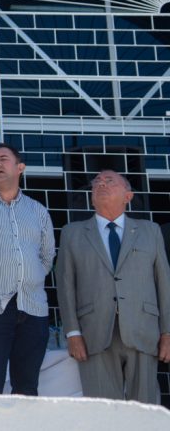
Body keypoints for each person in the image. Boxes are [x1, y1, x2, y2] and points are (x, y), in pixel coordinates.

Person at [55, 170, 170, 403]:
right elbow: (65, 284)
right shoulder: (72, 233)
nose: (101, 184)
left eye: (110, 181)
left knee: (144, 409)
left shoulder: (150, 231)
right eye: (96, 182)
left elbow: (163, 283)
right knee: (103, 414)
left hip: (143, 330)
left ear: (128, 196)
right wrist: (73, 333)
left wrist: (167, 332)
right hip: (93, 334)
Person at [0, 142, 55, 395]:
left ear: (20, 167)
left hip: (33, 309)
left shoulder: (37, 211)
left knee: (28, 388)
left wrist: (30, 278)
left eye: (3, 159)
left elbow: (47, 256)